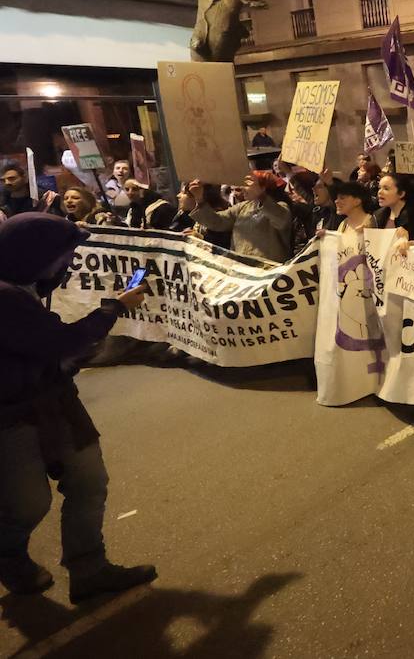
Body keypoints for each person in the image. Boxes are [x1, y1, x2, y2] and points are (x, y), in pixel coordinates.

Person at [0, 213, 157, 600]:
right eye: (63, 254)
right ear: (33, 254)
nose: (68, 262)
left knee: (89, 481)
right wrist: (112, 309)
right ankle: (9, 558)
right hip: (12, 415)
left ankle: (89, 569)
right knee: (28, 503)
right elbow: (59, 342)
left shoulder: (24, 285)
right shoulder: (5, 297)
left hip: (54, 402)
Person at [186, 171, 293, 262]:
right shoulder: (242, 207)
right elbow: (217, 222)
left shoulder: (281, 206)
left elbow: (281, 220)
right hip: (243, 269)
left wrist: (261, 197)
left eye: (248, 184)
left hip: (269, 272)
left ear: (263, 187)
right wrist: (199, 199)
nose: (242, 188)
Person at [372, 173, 414, 241]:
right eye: (379, 188)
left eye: (386, 189)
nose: (380, 192)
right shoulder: (378, 215)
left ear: (401, 193)